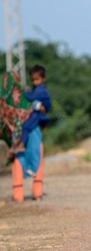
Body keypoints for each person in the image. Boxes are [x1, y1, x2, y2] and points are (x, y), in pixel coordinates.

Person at [0, 73, 45, 202]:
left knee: (18, 164)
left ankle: (18, 195)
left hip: (18, 139)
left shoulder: (2, 99)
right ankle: (38, 193)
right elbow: (40, 107)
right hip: (34, 134)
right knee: (37, 161)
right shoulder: (27, 95)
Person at [10, 65, 52, 154]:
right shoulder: (40, 88)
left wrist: (26, 92)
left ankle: (21, 145)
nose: (34, 82)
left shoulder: (39, 90)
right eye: (33, 80)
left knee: (26, 127)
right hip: (40, 111)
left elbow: (32, 97)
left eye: (37, 80)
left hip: (39, 113)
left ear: (43, 79)